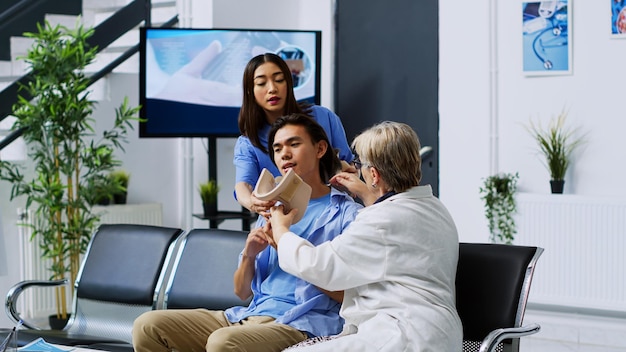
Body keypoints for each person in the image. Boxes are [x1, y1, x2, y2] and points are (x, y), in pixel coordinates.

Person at [132, 114, 362, 352]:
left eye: (294, 144)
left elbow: (349, 296)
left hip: (301, 322)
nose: (284, 154)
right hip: (249, 314)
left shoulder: (348, 215)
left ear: (320, 148)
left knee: (223, 342)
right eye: (277, 148)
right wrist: (249, 256)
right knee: (148, 326)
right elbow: (241, 291)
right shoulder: (272, 210)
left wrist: (288, 250)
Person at [266, 121, 463, 351]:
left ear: (374, 174)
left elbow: (320, 266)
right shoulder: (433, 208)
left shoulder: (382, 220)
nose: (355, 169)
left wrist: (281, 231)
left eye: (359, 163)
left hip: (404, 335)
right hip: (435, 331)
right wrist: (369, 196)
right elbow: (391, 239)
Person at [234, 53, 353, 215]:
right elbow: (243, 185)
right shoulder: (248, 143)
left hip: (332, 211)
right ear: (250, 92)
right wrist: (253, 203)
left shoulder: (324, 117)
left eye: (279, 80)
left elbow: (348, 165)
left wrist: (346, 174)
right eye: (261, 83)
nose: (272, 89)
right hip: (285, 216)